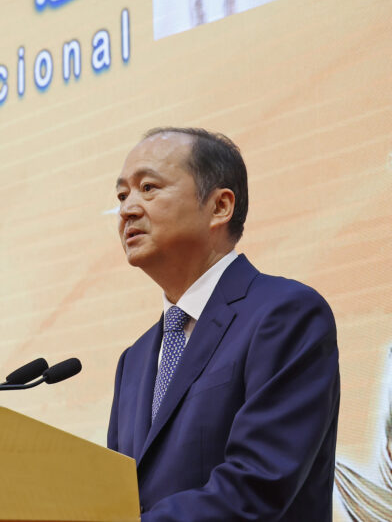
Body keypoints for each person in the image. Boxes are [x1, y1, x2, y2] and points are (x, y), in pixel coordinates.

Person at [107, 127, 340, 521]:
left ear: (220, 206)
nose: (127, 209)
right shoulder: (134, 360)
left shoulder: (286, 314)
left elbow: (257, 484)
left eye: (148, 188)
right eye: (121, 195)